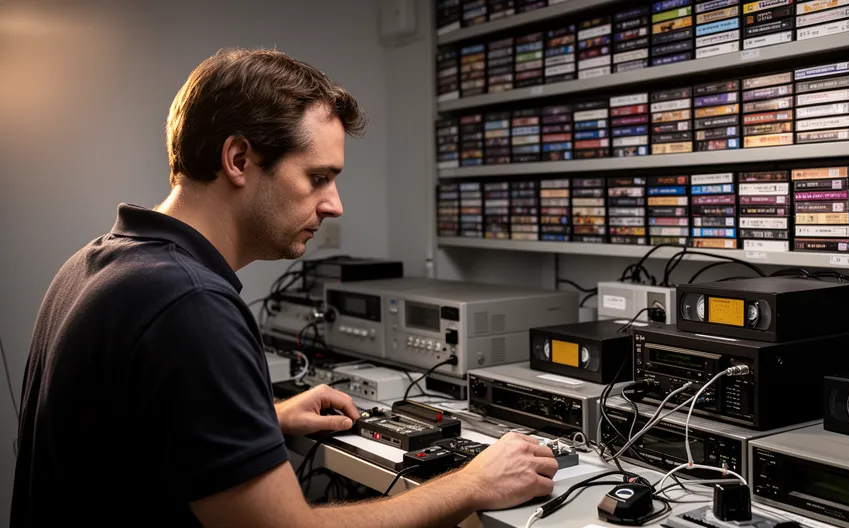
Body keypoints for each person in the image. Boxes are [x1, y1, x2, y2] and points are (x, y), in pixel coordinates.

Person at [11, 48, 558, 528]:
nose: (335, 204)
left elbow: (127, 435)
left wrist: (263, 417)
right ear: (239, 159)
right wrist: (472, 483)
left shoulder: (96, 264)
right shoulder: (189, 305)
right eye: (318, 177)